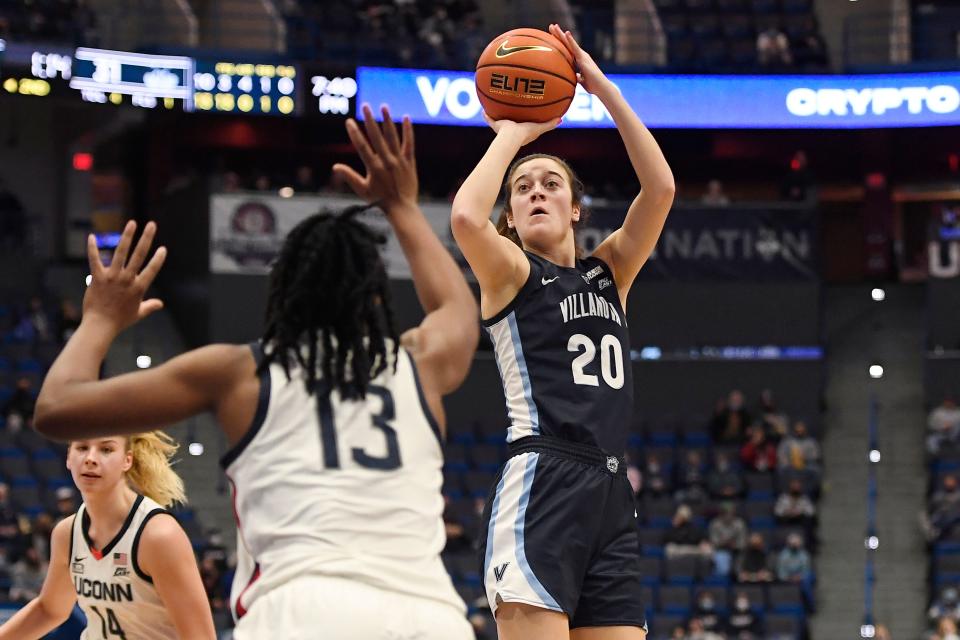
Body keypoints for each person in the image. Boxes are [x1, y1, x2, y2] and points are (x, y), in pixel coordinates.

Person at [32, 104, 479, 639]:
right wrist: (401, 206)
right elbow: (457, 309)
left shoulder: (239, 371)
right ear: (376, 296)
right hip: (426, 616)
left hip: (297, 612)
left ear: (281, 293)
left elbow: (56, 410)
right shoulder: (421, 364)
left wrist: (100, 321)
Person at [451, 22, 674, 640]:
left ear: (576, 208)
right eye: (523, 190)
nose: (537, 193)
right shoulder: (510, 271)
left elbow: (660, 189)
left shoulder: (611, 274)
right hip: (542, 480)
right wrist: (515, 134)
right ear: (514, 219)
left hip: (609, 490)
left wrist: (603, 91)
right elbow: (468, 217)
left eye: (551, 185)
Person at [0, 432, 216, 638]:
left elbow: (200, 636)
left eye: (106, 449)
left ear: (127, 460)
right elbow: (49, 610)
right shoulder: (67, 533)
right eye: (82, 447)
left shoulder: (157, 535)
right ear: (68, 457)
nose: (91, 459)